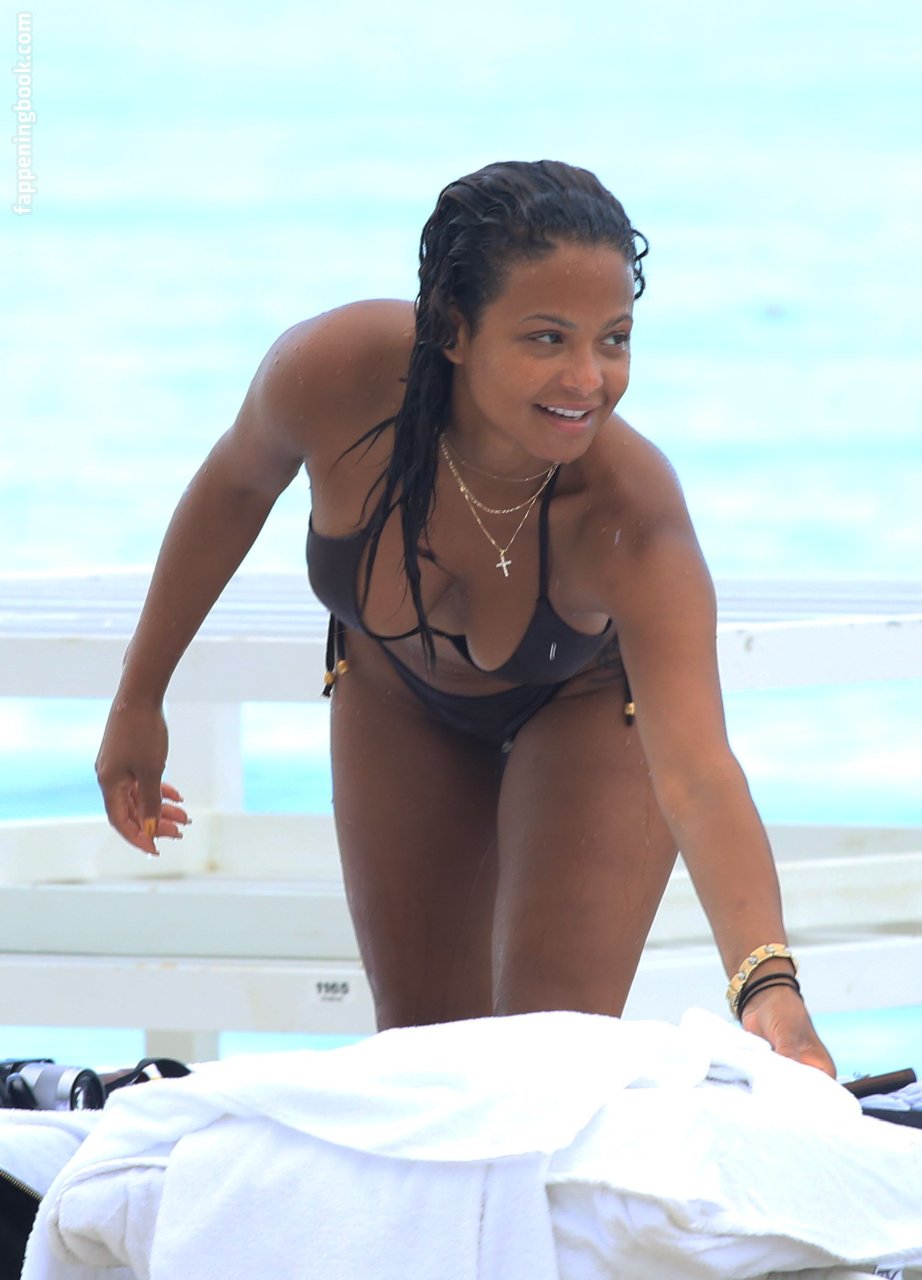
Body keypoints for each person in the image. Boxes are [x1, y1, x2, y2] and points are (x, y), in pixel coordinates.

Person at [95, 159, 834, 1073]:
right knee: (424, 1061)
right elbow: (233, 490)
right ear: (451, 327)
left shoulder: (629, 516)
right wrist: (139, 698)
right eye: (547, 338)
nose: (588, 378)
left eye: (614, 340)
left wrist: (770, 990)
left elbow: (698, 772)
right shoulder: (333, 375)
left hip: (585, 704)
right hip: (394, 690)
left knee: (545, 1064)